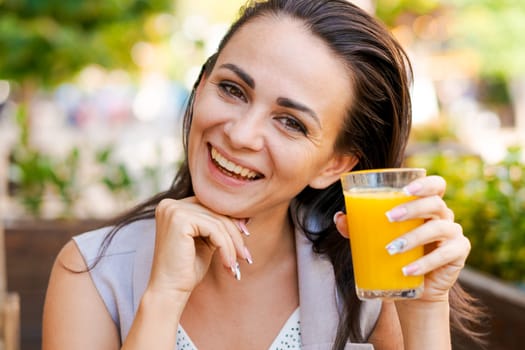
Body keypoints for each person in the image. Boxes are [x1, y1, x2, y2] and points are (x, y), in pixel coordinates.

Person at [42, 0, 484, 349]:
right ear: (200, 88)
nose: (241, 134)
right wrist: (163, 299)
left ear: (335, 165)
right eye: (232, 89)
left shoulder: (367, 281)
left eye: (291, 122)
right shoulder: (93, 272)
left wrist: (426, 309)